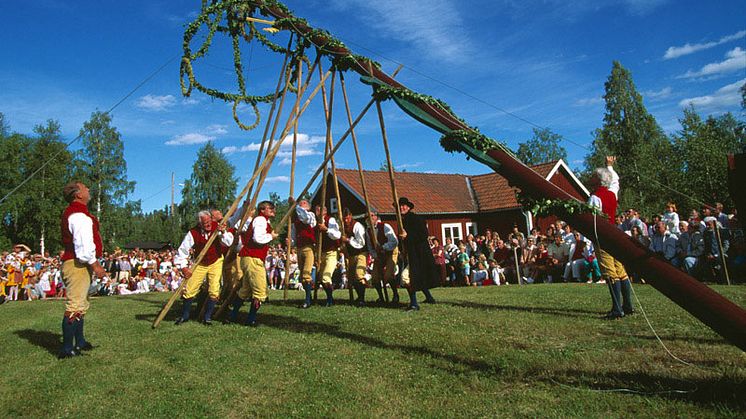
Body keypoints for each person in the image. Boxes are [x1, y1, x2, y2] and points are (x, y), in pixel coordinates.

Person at [58, 181, 107, 358]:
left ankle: (79, 342)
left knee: (81, 304)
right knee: (75, 305)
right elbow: (83, 246)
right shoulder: (78, 215)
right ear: (78, 194)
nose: (88, 189)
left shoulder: (77, 213)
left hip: (77, 263)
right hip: (78, 264)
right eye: (85, 187)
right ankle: (66, 349)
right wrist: (96, 265)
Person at [587, 156, 633, 319]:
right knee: (620, 270)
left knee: (609, 272)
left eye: (593, 176)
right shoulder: (612, 194)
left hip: (603, 237)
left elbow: (592, 220)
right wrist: (610, 166)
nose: (590, 178)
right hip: (614, 234)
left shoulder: (594, 197)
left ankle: (616, 309)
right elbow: (615, 183)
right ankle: (627, 306)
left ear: (598, 181)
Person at [173, 210, 233, 325]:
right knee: (189, 289)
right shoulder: (193, 232)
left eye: (209, 221)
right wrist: (184, 267)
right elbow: (182, 250)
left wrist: (224, 232)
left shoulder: (218, 227)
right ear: (200, 223)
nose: (208, 225)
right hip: (200, 263)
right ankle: (185, 316)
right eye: (205, 223)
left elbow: (229, 242)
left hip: (216, 261)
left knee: (214, 289)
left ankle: (207, 317)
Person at [230, 201, 278, 326]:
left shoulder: (264, 221)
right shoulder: (260, 220)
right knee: (260, 291)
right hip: (252, 258)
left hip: (250, 258)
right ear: (262, 210)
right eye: (270, 208)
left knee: (245, 290)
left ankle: (232, 315)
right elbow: (258, 238)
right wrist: (270, 237)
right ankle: (250, 319)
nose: (273, 209)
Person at [397, 197, 438, 310]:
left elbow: (423, 235)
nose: (401, 207)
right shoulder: (402, 221)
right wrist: (402, 249)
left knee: (407, 278)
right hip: (411, 254)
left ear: (409, 207)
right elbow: (401, 239)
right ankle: (429, 298)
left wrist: (408, 236)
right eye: (400, 205)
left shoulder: (416, 219)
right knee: (417, 277)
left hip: (419, 254)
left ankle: (414, 304)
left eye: (404, 205)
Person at [369, 211, 399, 304]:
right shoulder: (368, 230)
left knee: (388, 275)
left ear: (376, 217)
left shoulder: (385, 226)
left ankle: (395, 294)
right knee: (374, 277)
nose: (370, 218)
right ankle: (381, 297)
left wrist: (383, 247)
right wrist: (375, 255)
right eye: (368, 216)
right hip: (379, 254)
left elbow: (394, 241)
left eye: (372, 216)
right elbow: (370, 247)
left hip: (391, 251)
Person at [292, 199, 316, 308]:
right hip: (299, 248)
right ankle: (308, 297)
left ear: (308, 207)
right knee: (302, 275)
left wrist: (296, 205)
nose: (302, 204)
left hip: (308, 248)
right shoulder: (296, 219)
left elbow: (305, 218)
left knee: (306, 273)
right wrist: (291, 242)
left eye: (304, 203)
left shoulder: (310, 215)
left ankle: (307, 301)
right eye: (300, 203)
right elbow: (294, 234)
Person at [315, 205, 342, 307]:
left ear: (324, 211)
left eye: (319, 210)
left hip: (331, 252)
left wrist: (326, 229)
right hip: (321, 253)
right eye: (316, 210)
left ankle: (330, 300)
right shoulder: (315, 222)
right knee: (321, 277)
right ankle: (329, 298)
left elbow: (337, 235)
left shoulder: (330, 220)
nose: (317, 212)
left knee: (326, 277)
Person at [342, 208, 370, 307]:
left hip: (361, 252)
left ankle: (362, 299)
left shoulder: (357, 226)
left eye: (347, 218)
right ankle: (359, 297)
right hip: (351, 255)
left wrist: (348, 240)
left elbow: (361, 243)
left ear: (351, 216)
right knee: (352, 278)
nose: (346, 221)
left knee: (359, 275)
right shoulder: (343, 227)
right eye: (344, 219)